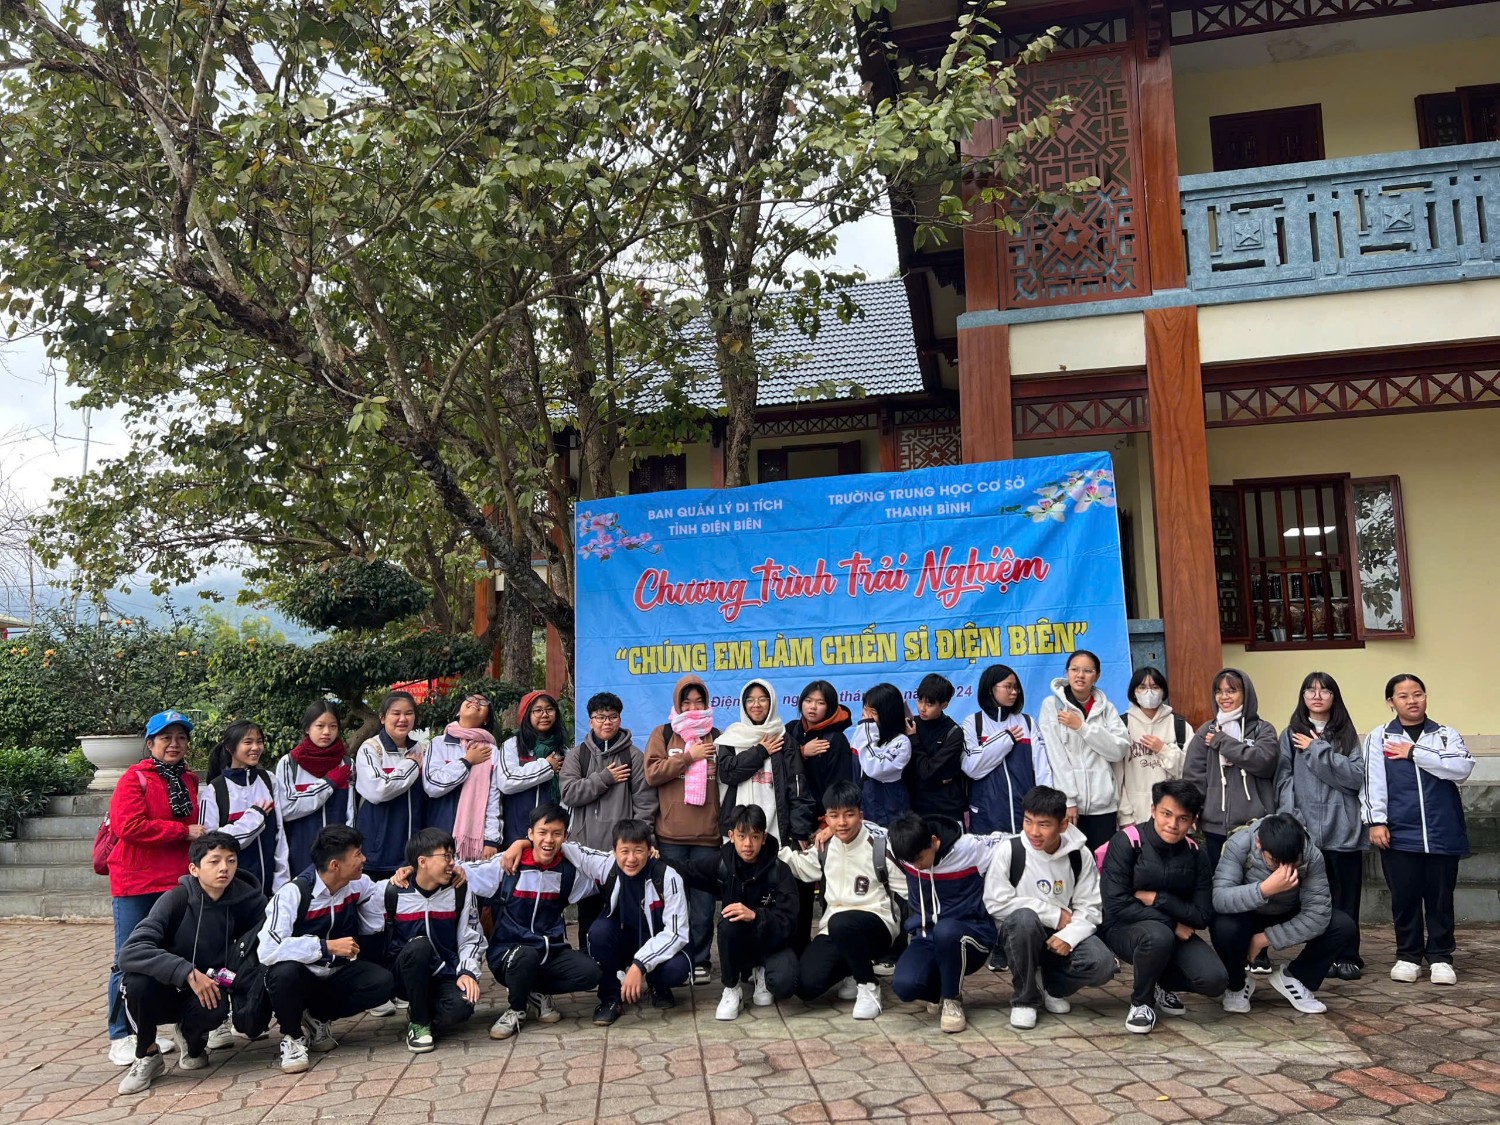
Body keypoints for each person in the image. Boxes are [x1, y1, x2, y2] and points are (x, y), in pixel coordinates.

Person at [115, 831, 267, 1095]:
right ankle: (148, 1054)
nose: (224, 868)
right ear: (194, 869)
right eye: (214, 861)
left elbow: (263, 947)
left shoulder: (249, 901)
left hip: (212, 985)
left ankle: (191, 1037)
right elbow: (130, 952)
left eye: (231, 860)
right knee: (135, 984)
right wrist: (186, 972)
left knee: (215, 1007)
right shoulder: (176, 900)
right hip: (165, 986)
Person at [106, 709, 204, 1066]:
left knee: (176, 954)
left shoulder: (189, 780)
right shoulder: (135, 778)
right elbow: (128, 826)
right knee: (128, 957)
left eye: (181, 738)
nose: (174, 744)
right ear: (150, 744)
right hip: (136, 883)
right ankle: (122, 1034)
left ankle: (160, 1024)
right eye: (166, 738)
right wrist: (182, 831)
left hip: (176, 883)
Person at [1362, 673, 1473, 985]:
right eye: (1403, 696)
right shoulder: (1379, 737)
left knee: (1440, 898)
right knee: (1405, 897)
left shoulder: (1445, 735)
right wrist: (1376, 821)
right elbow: (1372, 781)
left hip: (1442, 830)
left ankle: (1441, 957)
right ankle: (1408, 956)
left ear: (1425, 696)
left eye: (1418, 694)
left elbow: (1461, 768)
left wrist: (1413, 752)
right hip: (1399, 832)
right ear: (1391, 702)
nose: (1412, 701)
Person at [258, 825, 396, 1073]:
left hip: (336, 973)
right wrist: (324, 946)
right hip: (303, 976)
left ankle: (318, 1018)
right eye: (358, 854)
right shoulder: (293, 893)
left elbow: (378, 900)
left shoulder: (358, 883)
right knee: (283, 973)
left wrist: (403, 877)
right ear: (335, 865)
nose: (364, 859)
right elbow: (268, 948)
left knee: (382, 982)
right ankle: (293, 1037)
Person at [1098, 778, 1227, 1035]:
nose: (1172, 824)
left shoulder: (1196, 853)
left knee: (1215, 980)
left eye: (1182, 818)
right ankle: (1141, 1004)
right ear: (1153, 810)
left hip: (1174, 932)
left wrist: (1158, 898)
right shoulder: (1127, 842)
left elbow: (1202, 915)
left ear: (1193, 821)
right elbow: (1116, 904)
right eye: (1166, 814)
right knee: (1159, 935)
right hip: (1124, 928)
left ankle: (1158, 981)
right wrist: (1172, 923)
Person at [467, 804, 604, 1039]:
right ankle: (516, 1009)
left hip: (549, 952)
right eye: (542, 832)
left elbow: (608, 871)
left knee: (590, 973)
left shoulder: (569, 873)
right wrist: (411, 870)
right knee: (526, 955)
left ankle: (533, 991)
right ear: (530, 834)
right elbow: (463, 871)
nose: (549, 840)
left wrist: (647, 858)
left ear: (565, 837)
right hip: (508, 954)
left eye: (556, 833)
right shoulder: (508, 864)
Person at [982, 786, 1114, 1030]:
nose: (1034, 832)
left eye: (1044, 825)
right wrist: (1052, 914)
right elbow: (995, 902)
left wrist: (1069, 936)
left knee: (1102, 964)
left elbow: (1090, 906)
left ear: (1063, 825)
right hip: (1019, 933)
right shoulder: (1010, 850)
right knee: (1024, 919)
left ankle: (1052, 986)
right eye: (1028, 821)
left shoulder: (1079, 855)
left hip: (1061, 933)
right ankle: (1024, 1000)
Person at [1210, 814, 1354, 1016]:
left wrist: (1263, 939)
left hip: (1288, 910)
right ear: (1259, 843)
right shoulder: (1239, 844)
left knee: (1342, 925)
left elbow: (1317, 914)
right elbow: (1220, 898)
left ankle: (1295, 978)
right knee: (1223, 926)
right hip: (1247, 912)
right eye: (1275, 862)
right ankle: (1237, 985)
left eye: (1292, 863)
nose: (1283, 870)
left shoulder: (1310, 854)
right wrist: (1264, 890)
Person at [780, 780, 900, 1021]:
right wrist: (767, 850)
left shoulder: (879, 846)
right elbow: (799, 866)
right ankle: (854, 970)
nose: (842, 822)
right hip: (835, 927)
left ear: (860, 816)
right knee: (805, 986)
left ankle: (868, 986)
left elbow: (909, 888)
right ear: (826, 818)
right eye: (834, 816)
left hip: (878, 924)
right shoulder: (825, 847)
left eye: (849, 814)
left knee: (843, 923)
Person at [671, 804, 799, 1021]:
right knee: (728, 921)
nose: (748, 844)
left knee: (786, 984)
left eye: (755, 837)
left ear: (764, 837)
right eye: (742, 836)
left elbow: (789, 920)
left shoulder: (779, 870)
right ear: (731, 836)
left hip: (771, 942)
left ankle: (762, 971)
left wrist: (756, 916)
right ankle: (732, 989)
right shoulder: (722, 863)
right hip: (739, 943)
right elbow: (687, 870)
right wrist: (653, 858)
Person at [1276, 672, 1366, 979]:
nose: (1317, 696)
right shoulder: (1290, 734)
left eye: (1324, 690)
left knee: (1347, 897)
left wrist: (1317, 749)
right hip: (1307, 831)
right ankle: (1321, 956)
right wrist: (1293, 819)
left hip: (1344, 829)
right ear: (1302, 697)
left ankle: (1348, 955)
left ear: (1333, 697)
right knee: (1315, 900)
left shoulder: (1346, 734)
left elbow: (1355, 778)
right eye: (1310, 690)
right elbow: (1283, 781)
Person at [886, 811, 1006, 1034]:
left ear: (934, 841)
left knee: (946, 930)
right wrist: (827, 832)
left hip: (971, 936)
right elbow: (867, 832)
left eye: (920, 859)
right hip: (927, 936)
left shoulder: (970, 848)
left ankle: (952, 999)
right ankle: (940, 990)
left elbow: (1012, 842)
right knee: (904, 986)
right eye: (910, 862)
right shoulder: (902, 848)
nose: (917, 867)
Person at [560, 692, 658, 944]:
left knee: (625, 911)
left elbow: (645, 803)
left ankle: (626, 960)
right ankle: (588, 958)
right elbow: (569, 793)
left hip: (622, 853)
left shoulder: (633, 756)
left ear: (620, 720)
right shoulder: (578, 755)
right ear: (590, 721)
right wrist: (605, 778)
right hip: (586, 851)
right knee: (588, 913)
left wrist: (642, 842)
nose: (607, 722)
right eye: (600, 717)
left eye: (612, 717)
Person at [643, 674, 722, 985]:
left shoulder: (717, 736)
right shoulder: (663, 734)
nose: (693, 707)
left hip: (707, 837)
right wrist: (689, 757)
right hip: (670, 837)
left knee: (703, 906)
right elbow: (652, 773)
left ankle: (700, 960)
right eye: (686, 702)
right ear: (677, 703)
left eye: (698, 701)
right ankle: (677, 958)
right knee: (673, 905)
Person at [378, 828, 483, 1052]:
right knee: (420, 946)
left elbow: (471, 938)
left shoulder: (459, 891)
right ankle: (419, 1023)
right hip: (403, 976)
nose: (452, 863)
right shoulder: (392, 891)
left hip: (444, 973)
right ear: (422, 861)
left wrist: (467, 972)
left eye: (453, 856)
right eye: (446, 856)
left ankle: (421, 1008)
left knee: (461, 1010)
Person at [583, 819, 694, 1026]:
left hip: (657, 942)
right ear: (614, 852)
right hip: (625, 939)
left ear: (650, 850)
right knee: (598, 932)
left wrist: (639, 965)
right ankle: (610, 998)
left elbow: (676, 933)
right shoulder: (607, 866)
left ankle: (658, 986)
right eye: (624, 851)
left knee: (675, 970)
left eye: (639, 851)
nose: (631, 859)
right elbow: (572, 851)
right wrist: (525, 843)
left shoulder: (668, 876)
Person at [782, 680, 855, 951]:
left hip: (826, 826)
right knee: (797, 889)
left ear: (830, 706)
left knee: (831, 891)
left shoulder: (836, 740)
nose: (813, 707)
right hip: (796, 824)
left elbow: (840, 788)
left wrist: (828, 826)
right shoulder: (791, 731)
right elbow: (779, 770)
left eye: (820, 702)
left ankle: (832, 950)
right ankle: (799, 949)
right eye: (808, 700)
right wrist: (801, 752)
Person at [1182, 668, 1279, 868]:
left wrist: (1222, 741)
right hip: (1214, 828)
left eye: (1231, 691)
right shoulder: (1206, 731)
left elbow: (1263, 763)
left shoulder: (1263, 729)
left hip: (1256, 826)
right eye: (1219, 691)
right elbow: (1194, 777)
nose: (1224, 697)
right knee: (1219, 881)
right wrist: (1193, 809)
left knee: (1254, 881)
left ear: (1246, 693)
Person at [1038, 650, 1130, 853]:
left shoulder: (1106, 709)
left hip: (1104, 806)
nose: (1080, 675)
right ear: (1066, 672)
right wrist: (1068, 799)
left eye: (1088, 671)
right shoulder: (1052, 706)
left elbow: (1118, 750)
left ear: (1097, 676)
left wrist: (1082, 727)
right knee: (1070, 862)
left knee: (1101, 862)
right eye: (1075, 669)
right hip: (1068, 807)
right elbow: (1056, 757)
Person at [716, 678, 816, 849]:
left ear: (772, 702)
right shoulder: (732, 737)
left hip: (776, 828)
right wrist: (760, 752)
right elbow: (728, 774)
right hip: (738, 831)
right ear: (743, 704)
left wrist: (800, 830)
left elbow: (798, 789)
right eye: (750, 700)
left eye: (763, 699)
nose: (756, 705)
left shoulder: (784, 740)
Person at [960, 662, 1051, 836]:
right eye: (1008, 687)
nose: (1014, 692)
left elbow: (1042, 770)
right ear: (990, 689)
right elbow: (971, 767)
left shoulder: (1027, 722)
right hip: (986, 817)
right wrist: (1005, 739)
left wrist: (1045, 808)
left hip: (1025, 815)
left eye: (1016, 687)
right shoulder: (973, 723)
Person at [201, 719, 289, 895]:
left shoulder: (269, 780)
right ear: (230, 747)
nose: (255, 747)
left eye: (259, 742)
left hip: (269, 889)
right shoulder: (215, 790)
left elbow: (280, 836)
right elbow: (211, 845)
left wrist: (282, 883)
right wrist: (255, 818)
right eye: (248, 742)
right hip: (231, 892)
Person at [353, 691, 428, 881]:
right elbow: (379, 790)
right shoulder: (371, 749)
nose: (403, 719)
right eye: (396, 713)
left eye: (409, 713)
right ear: (382, 717)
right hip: (377, 853)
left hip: (411, 853)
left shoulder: (420, 749)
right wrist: (410, 765)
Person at [275, 700, 354, 878]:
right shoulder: (289, 763)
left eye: (333, 726)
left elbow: (351, 814)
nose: (327, 732)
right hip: (300, 854)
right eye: (320, 726)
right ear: (307, 728)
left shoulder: (347, 764)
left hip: (338, 855)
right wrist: (328, 783)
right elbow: (287, 809)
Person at [487, 690, 567, 851]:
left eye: (549, 709)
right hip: (515, 834)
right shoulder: (512, 745)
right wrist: (546, 766)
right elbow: (506, 781)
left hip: (550, 839)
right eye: (537, 710)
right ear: (526, 715)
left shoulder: (564, 751)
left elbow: (566, 796)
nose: (544, 715)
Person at [422, 690, 495, 856]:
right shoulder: (439, 744)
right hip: (439, 831)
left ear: (486, 719)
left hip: (476, 841)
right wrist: (467, 761)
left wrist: (491, 840)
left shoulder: (491, 750)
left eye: (483, 703)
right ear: (457, 712)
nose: (475, 702)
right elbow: (432, 785)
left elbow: (493, 798)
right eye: (471, 698)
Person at [1118, 666, 1191, 829]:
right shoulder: (1121, 725)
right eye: (1142, 687)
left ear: (1163, 691)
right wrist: (1125, 816)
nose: (1149, 692)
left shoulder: (1179, 725)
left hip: (1173, 815)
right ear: (1134, 692)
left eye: (1155, 687)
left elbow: (1188, 771)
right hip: (1135, 815)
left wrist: (1162, 750)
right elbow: (1116, 777)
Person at [904, 673, 968, 822]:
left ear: (944, 704)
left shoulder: (954, 732)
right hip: (914, 808)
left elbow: (927, 771)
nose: (922, 708)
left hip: (946, 809)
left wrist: (913, 739)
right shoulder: (910, 725)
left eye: (929, 704)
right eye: (919, 700)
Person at [852, 682, 912, 827]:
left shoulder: (901, 742)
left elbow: (875, 768)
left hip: (889, 816)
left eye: (872, 712)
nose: (866, 716)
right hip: (863, 810)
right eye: (865, 709)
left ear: (888, 714)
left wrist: (867, 726)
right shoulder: (864, 735)